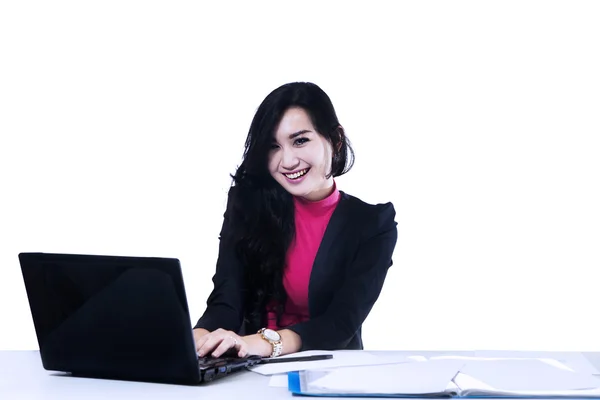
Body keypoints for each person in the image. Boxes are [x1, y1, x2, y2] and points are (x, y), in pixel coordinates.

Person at [193, 82, 397, 359]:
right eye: (273, 146)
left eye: (300, 140)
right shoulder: (248, 201)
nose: (287, 161)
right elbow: (227, 300)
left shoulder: (372, 224)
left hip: (330, 369)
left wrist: (261, 343)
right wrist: (199, 336)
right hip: (246, 367)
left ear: (335, 140)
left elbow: (340, 324)